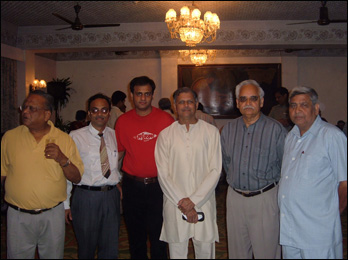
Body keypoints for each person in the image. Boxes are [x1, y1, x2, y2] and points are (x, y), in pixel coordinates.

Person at [1, 90, 84, 259]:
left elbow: (76, 177)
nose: (25, 112)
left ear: (47, 114)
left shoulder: (64, 139)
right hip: (18, 216)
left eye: (32, 108)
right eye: (24, 107)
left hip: (52, 215)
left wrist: (62, 159)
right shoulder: (10, 137)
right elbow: (3, 174)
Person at [278, 86, 347, 259]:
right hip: (290, 229)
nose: (297, 110)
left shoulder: (331, 136)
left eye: (304, 105)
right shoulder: (290, 137)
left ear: (316, 109)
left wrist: (331, 216)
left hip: (318, 232)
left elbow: (345, 182)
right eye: (293, 106)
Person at [220, 79, 287, 259]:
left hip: (264, 199)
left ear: (262, 102)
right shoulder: (228, 130)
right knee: (237, 252)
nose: (248, 103)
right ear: (237, 103)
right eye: (243, 99)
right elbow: (227, 163)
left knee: (267, 252)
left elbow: (285, 167)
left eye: (253, 98)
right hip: (235, 199)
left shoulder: (276, 130)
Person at [155, 87, 222, 258]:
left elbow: (215, 170)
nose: (186, 106)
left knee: (205, 251)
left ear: (197, 104)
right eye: (181, 102)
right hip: (175, 203)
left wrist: (193, 201)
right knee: (177, 251)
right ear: (175, 106)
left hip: (203, 202)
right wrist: (184, 203)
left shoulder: (211, 132)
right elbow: (163, 174)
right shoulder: (165, 135)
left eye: (190, 101)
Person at [115, 76, 174, 259]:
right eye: (138, 94)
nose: (142, 98)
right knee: (135, 236)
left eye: (146, 94)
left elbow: (174, 156)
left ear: (152, 95)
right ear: (131, 95)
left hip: (159, 186)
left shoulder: (166, 120)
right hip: (132, 186)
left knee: (159, 236)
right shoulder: (123, 122)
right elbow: (117, 155)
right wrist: (116, 181)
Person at [64, 93, 122, 259]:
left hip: (111, 196)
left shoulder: (114, 134)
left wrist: (118, 182)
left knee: (110, 246)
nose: (100, 114)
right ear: (88, 113)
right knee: (86, 247)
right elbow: (69, 172)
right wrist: (65, 204)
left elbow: (116, 161)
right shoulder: (75, 136)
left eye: (104, 110)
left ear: (109, 113)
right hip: (86, 197)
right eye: (95, 110)